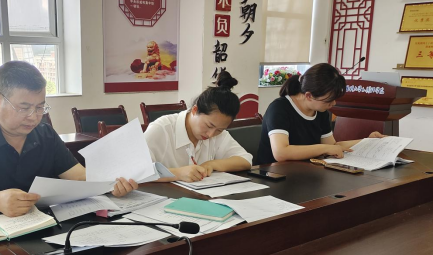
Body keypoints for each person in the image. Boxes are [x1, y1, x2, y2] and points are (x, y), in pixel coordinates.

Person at [0, 61, 137, 218]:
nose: (33, 117)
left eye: (40, 107)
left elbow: (79, 177)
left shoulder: (45, 135)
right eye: (24, 107)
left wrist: (112, 183)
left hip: (42, 231)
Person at [256, 63, 384, 165]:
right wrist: (324, 148)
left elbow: (333, 146)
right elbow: (281, 153)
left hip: (306, 173)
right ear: (309, 96)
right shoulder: (279, 108)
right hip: (273, 175)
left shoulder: (320, 111)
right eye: (329, 100)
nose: (333, 103)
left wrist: (368, 141)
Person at [144, 71, 252, 183]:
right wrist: (177, 173)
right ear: (195, 110)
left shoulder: (218, 132)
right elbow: (137, 171)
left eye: (219, 130)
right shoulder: (161, 129)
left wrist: (211, 164)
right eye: (209, 125)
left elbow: (245, 160)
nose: (211, 134)